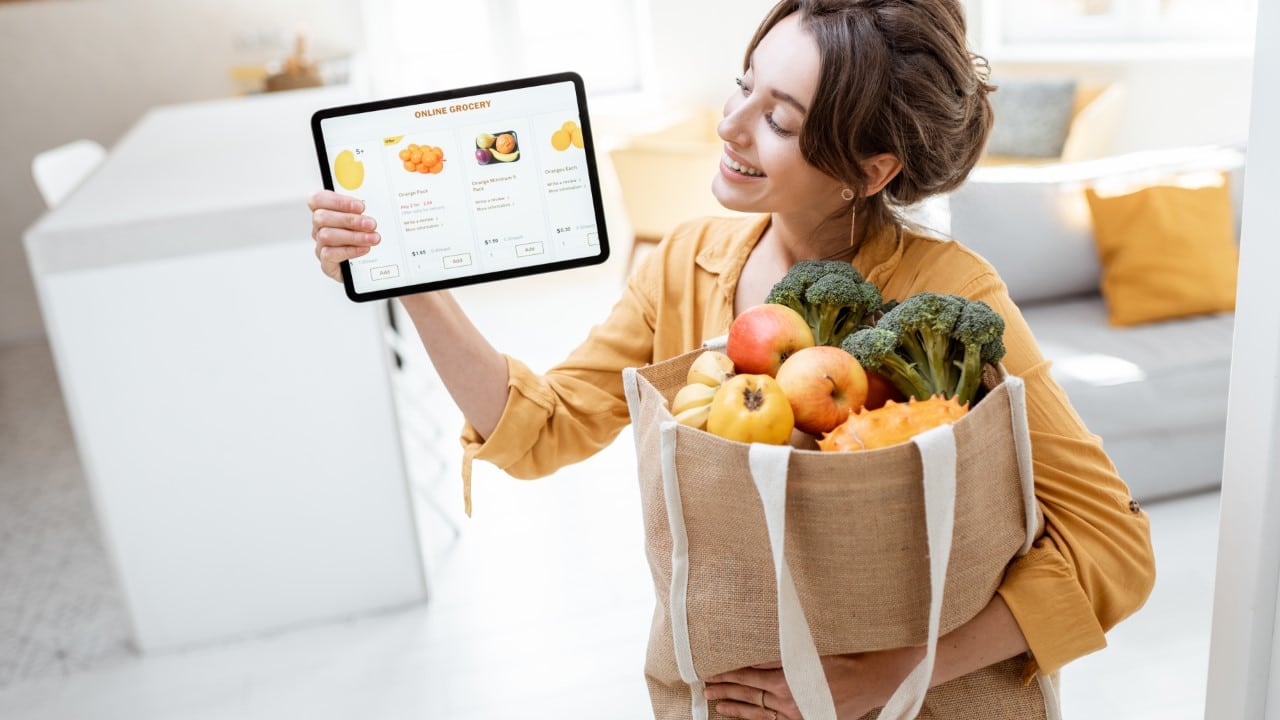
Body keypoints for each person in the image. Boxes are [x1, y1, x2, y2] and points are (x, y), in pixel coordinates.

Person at [309, 0, 1155, 717]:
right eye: (744, 85)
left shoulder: (953, 294)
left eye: (779, 119)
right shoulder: (683, 263)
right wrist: (407, 280)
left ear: (871, 168)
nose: (731, 124)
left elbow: (1112, 546)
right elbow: (541, 431)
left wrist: (892, 674)